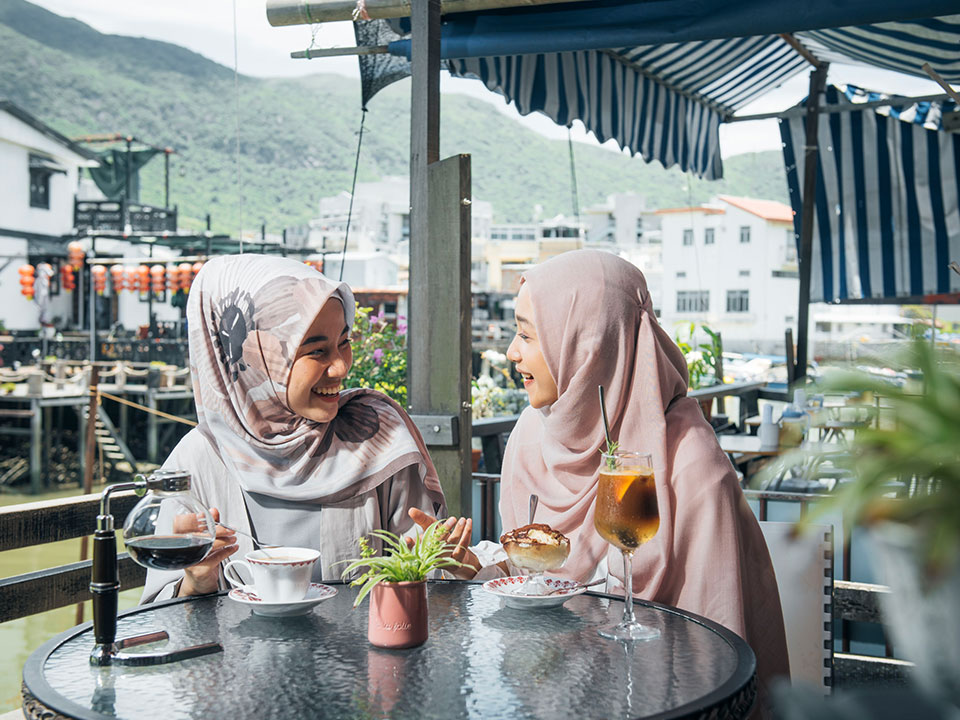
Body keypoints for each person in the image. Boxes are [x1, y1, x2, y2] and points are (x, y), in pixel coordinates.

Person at [411, 249, 789, 709]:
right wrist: (475, 565)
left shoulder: (690, 467)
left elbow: (712, 654)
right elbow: (542, 582)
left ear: (588, 346)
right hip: (548, 692)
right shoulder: (532, 438)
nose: (512, 352)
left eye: (527, 335)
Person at [141, 254, 458, 602]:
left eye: (344, 342)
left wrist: (443, 561)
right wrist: (198, 579)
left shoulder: (378, 438)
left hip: (365, 656)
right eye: (317, 350)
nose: (340, 367)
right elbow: (162, 622)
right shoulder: (197, 461)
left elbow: (431, 586)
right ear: (251, 356)